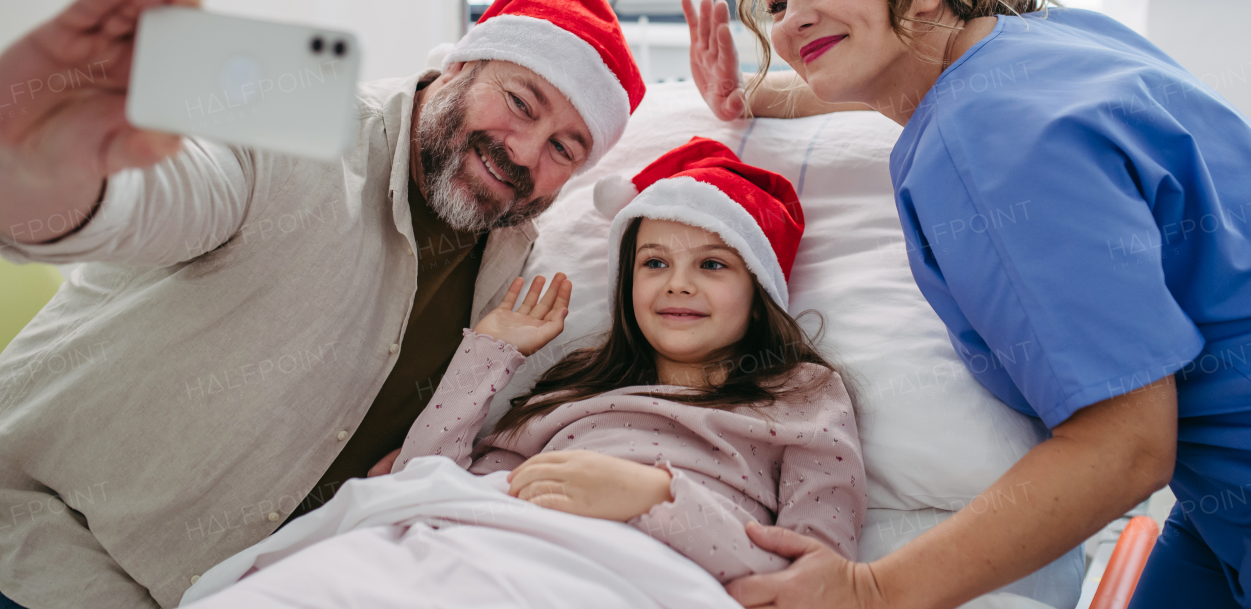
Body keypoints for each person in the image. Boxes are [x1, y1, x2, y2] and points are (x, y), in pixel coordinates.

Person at [686, 0, 1251, 609]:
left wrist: (871, 590)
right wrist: (751, 97)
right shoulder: (1041, 45)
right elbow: (893, 78)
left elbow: (1126, 443)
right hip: (1225, 500)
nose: (792, 17)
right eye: (774, 2)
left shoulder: (983, 141)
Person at [0, 0, 646, 609]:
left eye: (565, 147)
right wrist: (40, 169)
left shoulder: (513, 264)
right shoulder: (299, 117)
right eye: (521, 102)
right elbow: (153, 196)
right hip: (42, 550)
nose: (526, 152)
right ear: (457, 68)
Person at [177, 137, 865, 608]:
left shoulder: (802, 396)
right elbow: (425, 476)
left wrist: (652, 495)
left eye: (712, 264)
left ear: (760, 289)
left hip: (617, 575)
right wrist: (491, 349)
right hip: (469, 542)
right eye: (654, 262)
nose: (677, 284)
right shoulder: (576, 390)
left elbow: (809, 582)